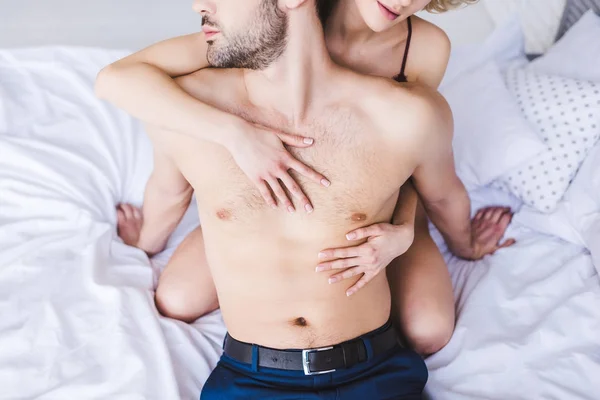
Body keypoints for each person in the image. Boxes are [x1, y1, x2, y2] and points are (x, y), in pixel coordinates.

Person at [98, 0, 515, 397]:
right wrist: (234, 135)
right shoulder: (255, 30)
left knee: (430, 327)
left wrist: (412, 232)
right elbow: (119, 82)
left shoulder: (416, 66)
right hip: (255, 366)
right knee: (177, 297)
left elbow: (410, 171)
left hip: (367, 210)